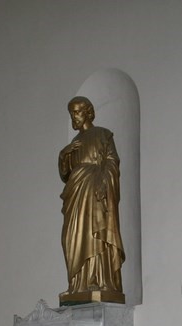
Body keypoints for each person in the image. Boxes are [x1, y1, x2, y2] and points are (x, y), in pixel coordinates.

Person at [58, 96, 125, 305]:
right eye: (71, 113)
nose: (74, 117)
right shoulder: (74, 144)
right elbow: (66, 174)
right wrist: (63, 155)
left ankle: (99, 280)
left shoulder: (103, 134)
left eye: (76, 112)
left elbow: (112, 160)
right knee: (72, 236)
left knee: (96, 233)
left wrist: (104, 181)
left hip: (95, 190)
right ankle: (78, 284)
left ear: (88, 112)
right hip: (76, 194)